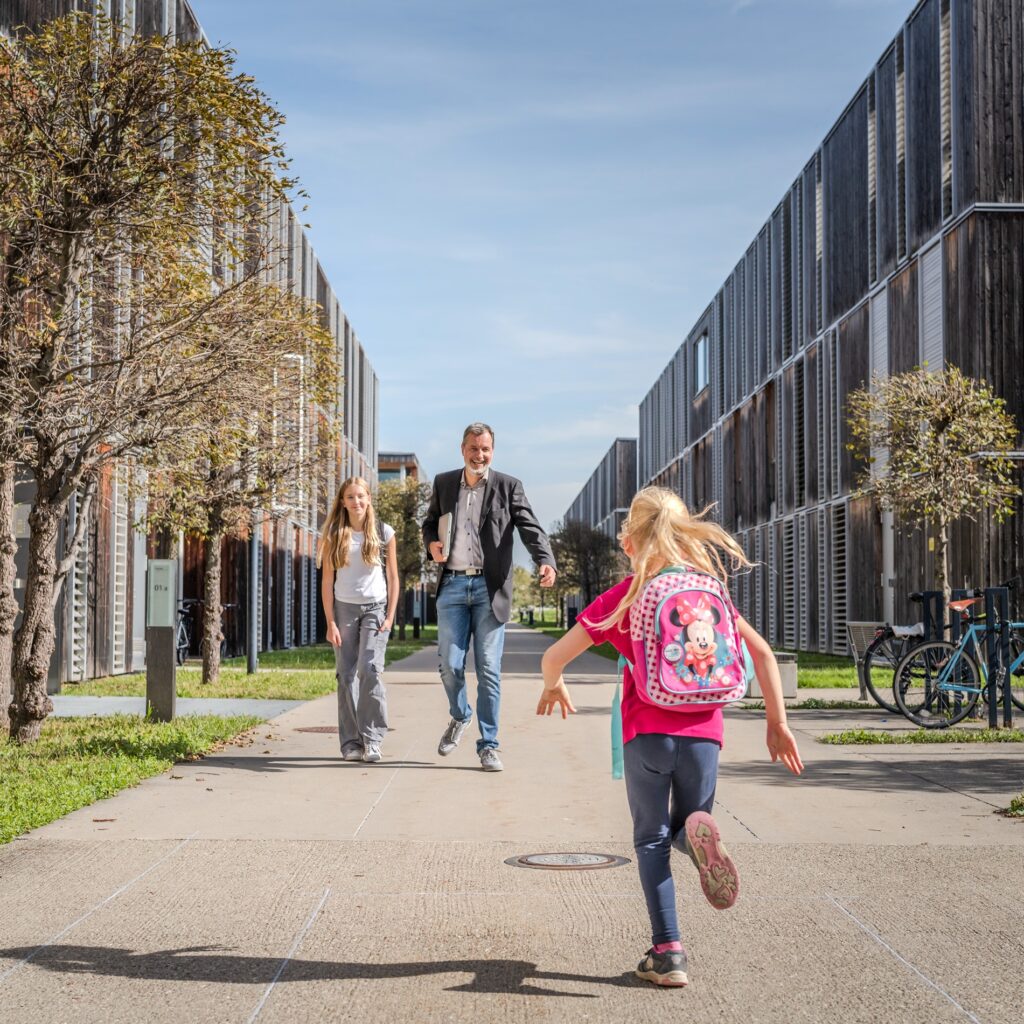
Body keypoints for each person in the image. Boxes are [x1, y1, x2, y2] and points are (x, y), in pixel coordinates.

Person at [536, 486, 803, 988]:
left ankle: (668, 953)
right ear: (685, 535)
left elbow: (554, 657)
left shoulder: (627, 596)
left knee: (651, 839)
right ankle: (694, 838)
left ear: (630, 542)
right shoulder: (708, 592)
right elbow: (763, 655)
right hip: (705, 734)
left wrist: (555, 685)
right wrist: (778, 724)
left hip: (647, 734)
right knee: (688, 824)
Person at [423, 422, 556, 772]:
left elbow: (530, 527)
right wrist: (431, 543)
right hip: (452, 585)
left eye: (485, 449)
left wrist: (545, 559)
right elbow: (430, 522)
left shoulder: (508, 486)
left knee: (488, 670)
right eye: (473, 448)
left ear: (492, 451)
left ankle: (489, 745)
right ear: (462, 449)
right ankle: (460, 715)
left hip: (489, 589)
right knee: (449, 665)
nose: (479, 455)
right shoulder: (444, 483)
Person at [318, 477, 399, 763]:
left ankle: (373, 739)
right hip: (344, 610)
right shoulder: (333, 534)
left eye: (361, 496)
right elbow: (327, 582)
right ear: (343, 502)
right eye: (351, 497)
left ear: (369, 499)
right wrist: (330, 622)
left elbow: (393, 577)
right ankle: (352, 743)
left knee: (370, 669)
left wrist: (390, 616)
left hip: (376, 609)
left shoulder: (384, 532)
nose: (357, 502)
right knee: (346, 675)